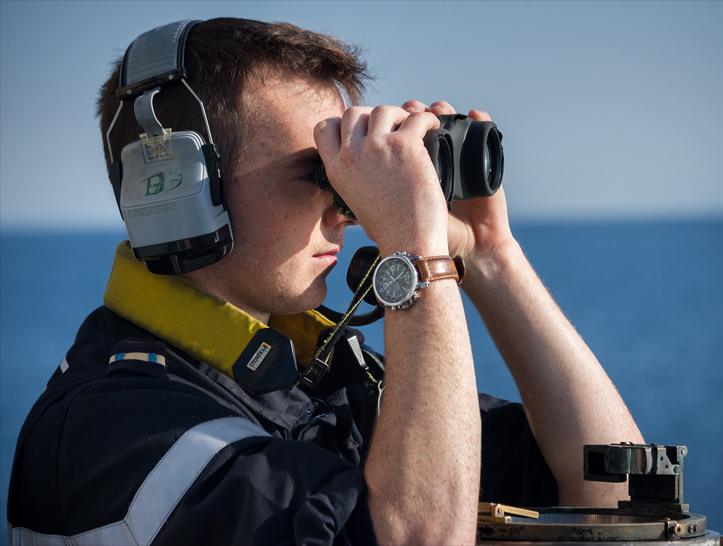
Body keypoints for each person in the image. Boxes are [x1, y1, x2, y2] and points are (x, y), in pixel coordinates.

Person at [7, 17, 643, 546]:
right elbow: (420, 537)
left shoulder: (317, 381)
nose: (348, 209)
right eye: (318, 173)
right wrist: (416, 256)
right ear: (180, 190)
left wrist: (490, 253)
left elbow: (617, 494)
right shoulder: (114, 432)